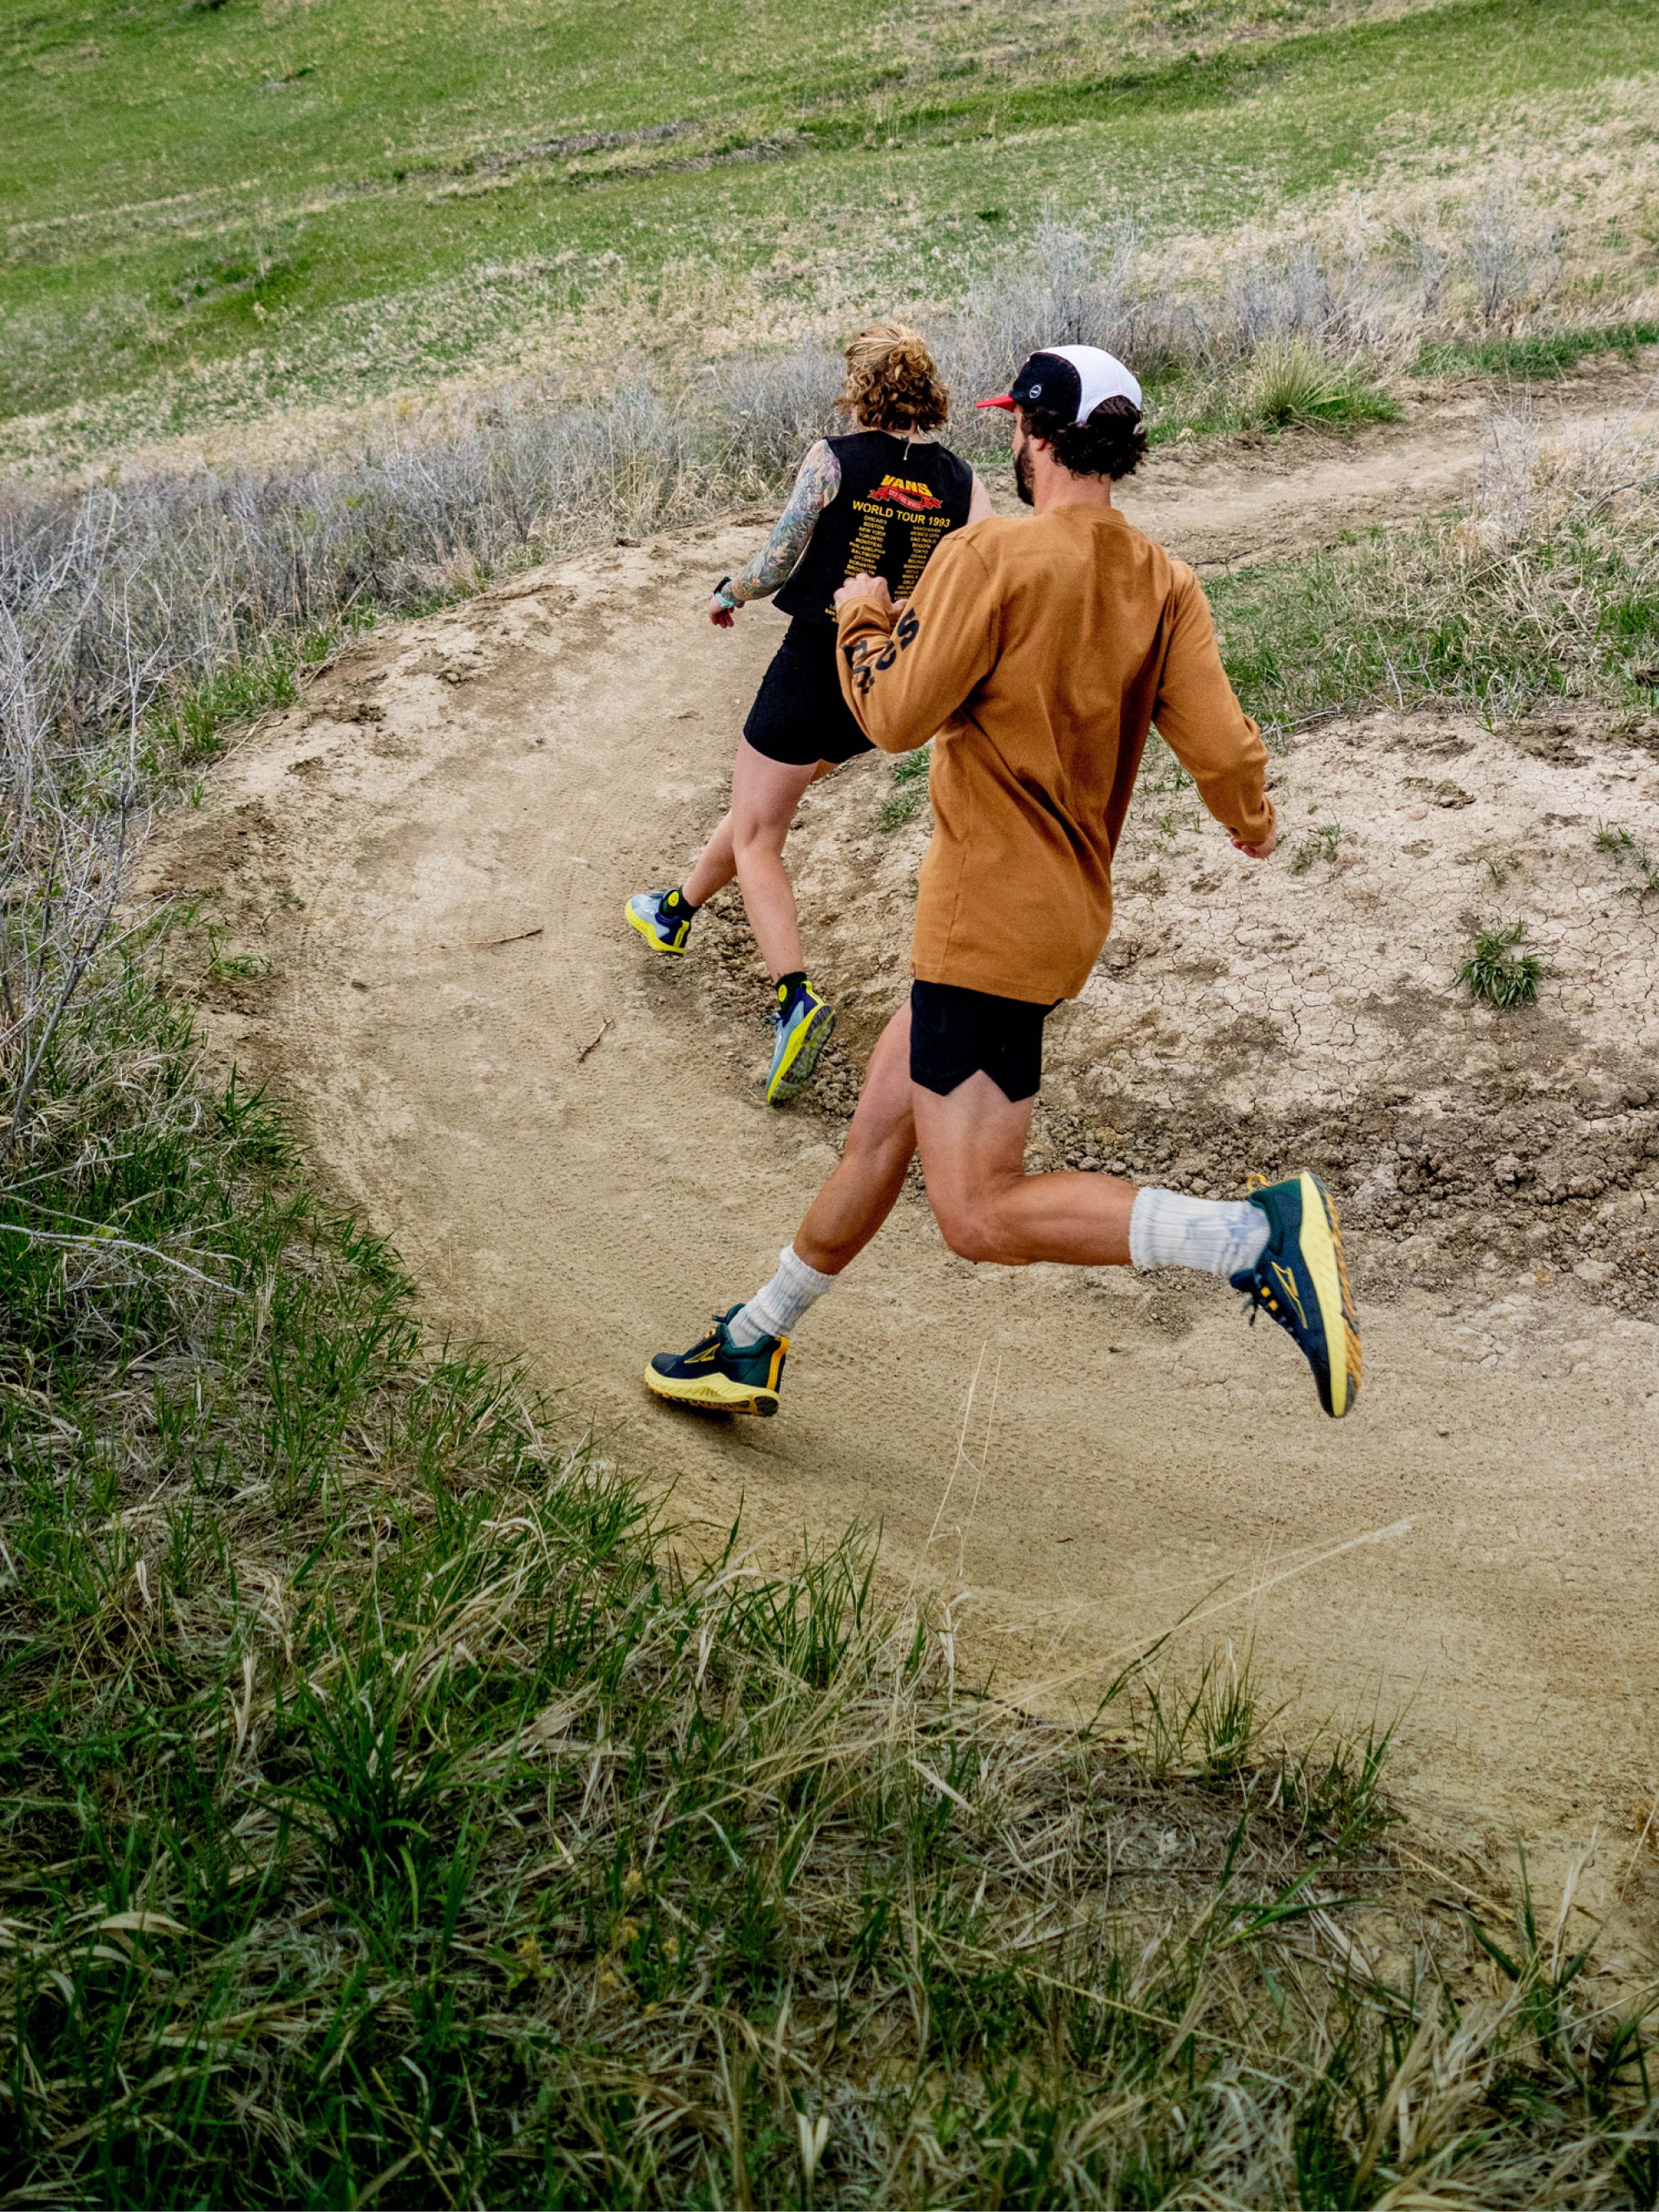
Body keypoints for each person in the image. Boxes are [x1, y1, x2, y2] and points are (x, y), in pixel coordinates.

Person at [645, 343, 1362, 1422]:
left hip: (983, 918)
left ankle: (1252, 1236)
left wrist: (863, 613)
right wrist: (1250, 824)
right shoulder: (1167, 584)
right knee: (882, 1131)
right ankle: (754, 1337)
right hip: (1058, 917)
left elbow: (892, 717)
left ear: (1033, 437)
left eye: (1015, 431)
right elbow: (1220, 750)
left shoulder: (991, 561)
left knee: (976, 1210)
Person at [625, 322, 993, 1106]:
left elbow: (781, 556)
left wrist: (729, 591)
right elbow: (985, 573)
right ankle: (674, 912)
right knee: (764, 803)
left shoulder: (834, 459)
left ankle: (795, 998)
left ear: (861, 390)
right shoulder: (964, 482)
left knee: (760, 832)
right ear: (925, 391)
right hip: (884, 682)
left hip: (812, 667)